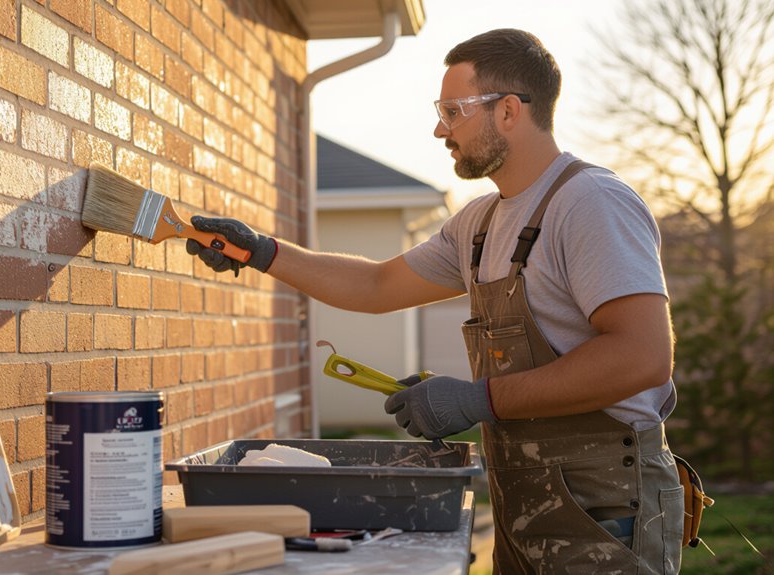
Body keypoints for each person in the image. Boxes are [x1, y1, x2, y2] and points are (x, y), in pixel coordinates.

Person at [186, 28, 683, 574]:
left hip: (604, 507)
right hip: (525, 507)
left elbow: (641, 356)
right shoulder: (481, 223)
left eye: (453, 110)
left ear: (509, 111)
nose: (439, 129)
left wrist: (477, 400)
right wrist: (263, 251)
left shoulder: (590, 204)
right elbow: (376, 285)